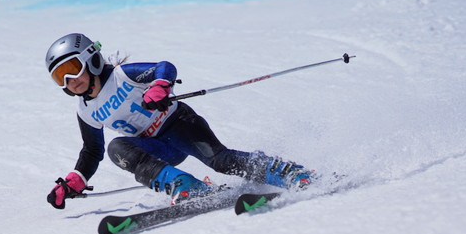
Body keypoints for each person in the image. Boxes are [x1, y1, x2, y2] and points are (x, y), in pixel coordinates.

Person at [45, 33, 313, 209]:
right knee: (116, 147)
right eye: (60, 77)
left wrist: (160, 86)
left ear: (90, 59)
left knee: (220, 161)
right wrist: (74, 180)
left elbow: (164, 67)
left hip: (180, 125)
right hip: (157, 147)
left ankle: (288, 172)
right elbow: (92, 150)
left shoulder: (121, 75)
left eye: (72, 69)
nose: (71, 81)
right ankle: (187, 186)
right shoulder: (85, 110)